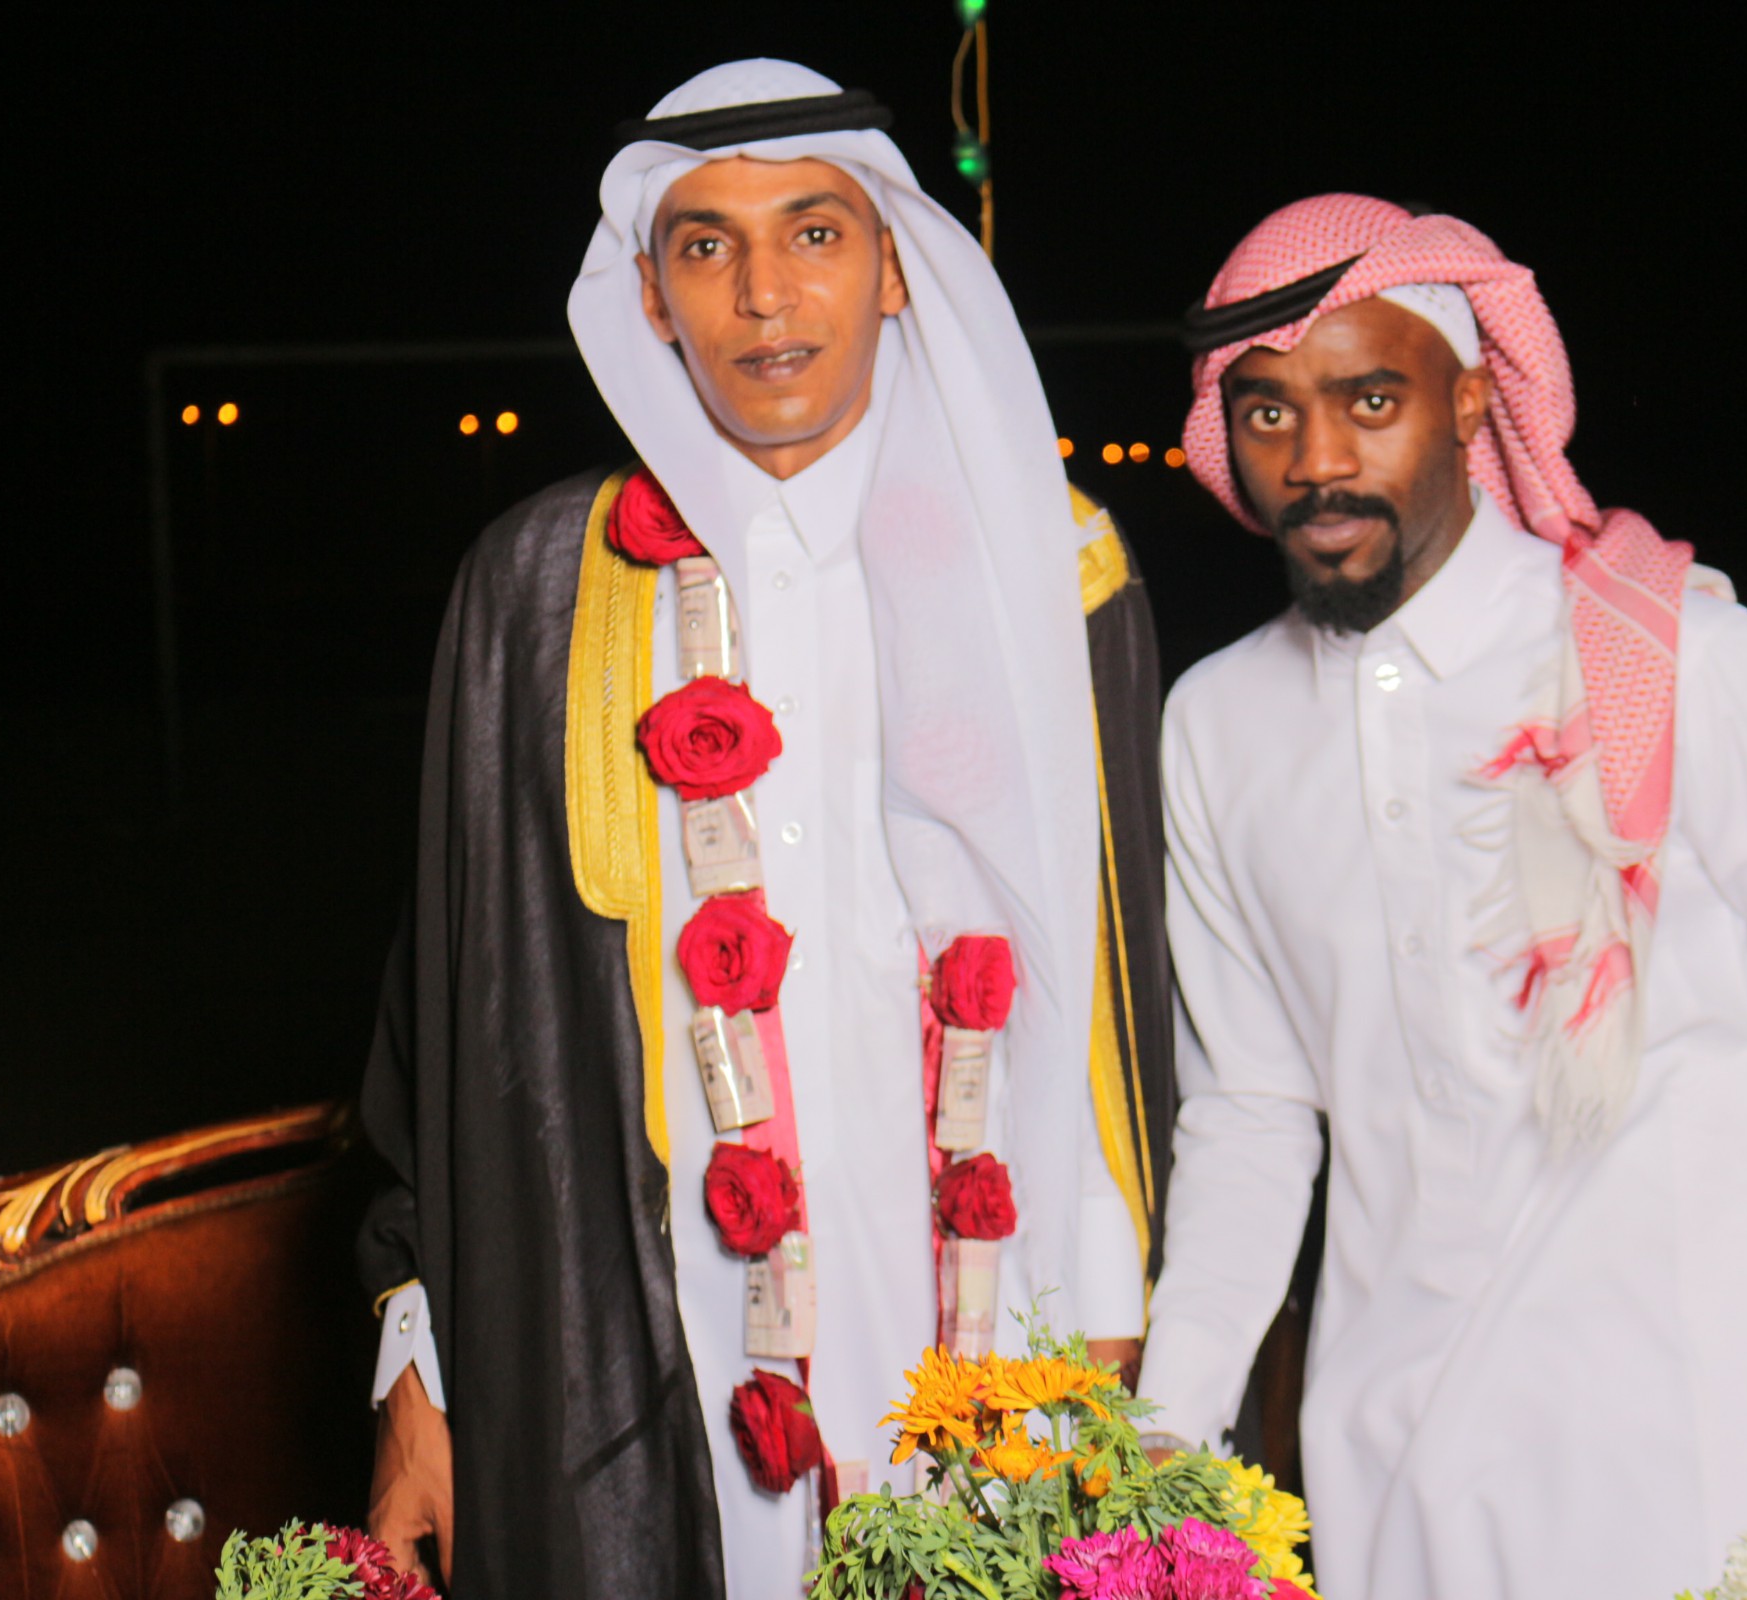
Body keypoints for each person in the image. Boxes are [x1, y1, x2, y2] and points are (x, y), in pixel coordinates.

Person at [353, 60, 1174, 1598]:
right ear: (650, 297)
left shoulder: (1055, 576)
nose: (763, 294)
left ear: (897, 271)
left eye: (813, 232)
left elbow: (1123, 993)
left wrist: (1119, 1329)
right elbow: (449, 1023)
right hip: (642, 1336)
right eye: (705, 246)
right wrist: (418, 1369)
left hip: (995, 1315)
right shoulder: (541, 590)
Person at [1133, 194, 1747, 1599]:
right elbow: (1254, 1115)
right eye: (1270, 413)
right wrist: (1165, 1441)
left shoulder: (1677, 654)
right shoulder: (1218, 726)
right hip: (1393, 1471)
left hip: (1710, 1448)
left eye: (1372, 400)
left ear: (1471, 401)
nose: (1318, 461)